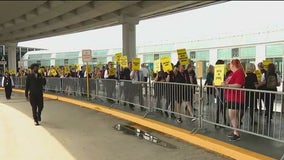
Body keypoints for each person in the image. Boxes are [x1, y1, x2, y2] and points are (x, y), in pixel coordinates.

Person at [221, 59, 245, 141]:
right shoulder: (231, 73)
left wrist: (227, 85)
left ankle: (236, 132)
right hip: (231, 97)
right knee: (233, 115)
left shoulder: (239, 72)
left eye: (230, 64)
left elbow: (238, 85)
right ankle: (235, 131)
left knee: (233, 115)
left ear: (233, 65)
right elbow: (226, 83)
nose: (229, 66)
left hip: (236, 97)